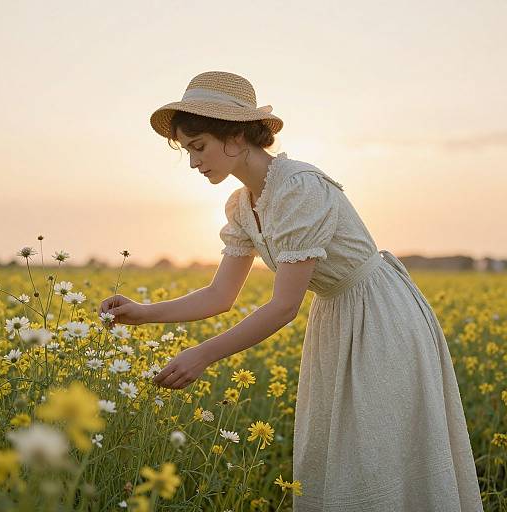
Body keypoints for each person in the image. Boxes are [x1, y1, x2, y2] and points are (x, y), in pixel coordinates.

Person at [98, 71, 484, 511]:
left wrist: (201, 355)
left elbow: (283, 307)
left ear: (237, 135)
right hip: (337, 315)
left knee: (378, 455)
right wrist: (142, 312)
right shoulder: (242, 204)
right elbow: (219, 295)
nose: (193, 163)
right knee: (337, 452)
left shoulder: (298, 187)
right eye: (188, 151)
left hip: (380, 316)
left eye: (198, 147)